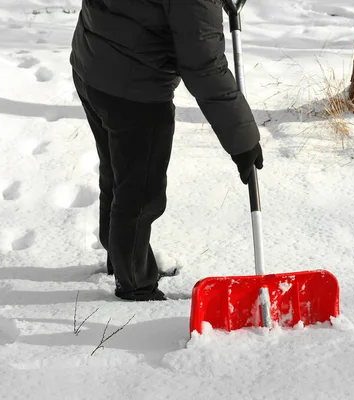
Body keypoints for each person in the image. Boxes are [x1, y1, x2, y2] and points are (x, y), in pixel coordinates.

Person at [69, 0, 263, 301]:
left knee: (117, 174)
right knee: (141, 194)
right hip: (134, 92)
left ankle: (120, 258)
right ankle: (135, 285)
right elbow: (205, 66)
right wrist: (243, 141)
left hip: (92, 62)